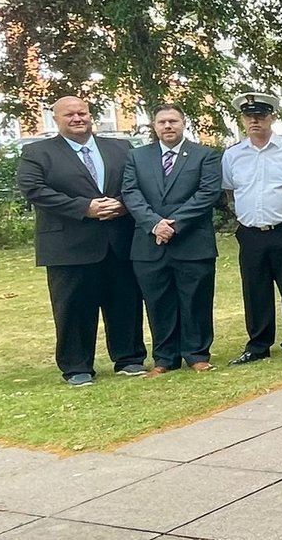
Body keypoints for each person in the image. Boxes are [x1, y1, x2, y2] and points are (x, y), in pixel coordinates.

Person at [17, 96, 146, 385]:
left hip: (119, 241)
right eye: (69, 115)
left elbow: (139, 183)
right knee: (73, 307)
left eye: (82, 113)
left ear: (90, 116)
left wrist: (123, 204)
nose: (77, 118)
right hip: (69, 246)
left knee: (125, 301)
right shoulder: (38, 152)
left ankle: (129, 358)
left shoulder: (120, 148)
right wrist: (84, 208)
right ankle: (77, 366)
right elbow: (33, 189)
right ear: (56, 120)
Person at [220, 92, 282, 365]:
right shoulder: (232, 155)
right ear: (242, 120)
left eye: (261, 116)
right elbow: (229, 191)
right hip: (251, 233)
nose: (255, 121)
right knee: (255, 290)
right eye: (249, 116)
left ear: (272, 117)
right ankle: (258, 345)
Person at [120, 104, 223, 375]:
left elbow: (208, 193)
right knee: (158, 303)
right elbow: (130, 193)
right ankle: (164, 359)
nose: (168, 126)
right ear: (154, 126)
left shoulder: (204, 156)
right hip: (149, 244)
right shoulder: (137, 157)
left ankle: (197, 354)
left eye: (173, 121)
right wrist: (154, 224)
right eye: (162, 122)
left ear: (183, 123)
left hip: (192, 242)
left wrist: (173, 225)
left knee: (196, 301)